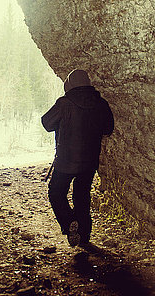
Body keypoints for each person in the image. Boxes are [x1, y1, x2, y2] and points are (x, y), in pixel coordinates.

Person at [41, 69, 114, 247]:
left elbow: (47, 123)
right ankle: (84, 235)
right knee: (82, 196)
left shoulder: (64, 103)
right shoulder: (101, 103)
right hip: (89, 161)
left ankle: (69, 222)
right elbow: (108, 128)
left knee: (56, 192)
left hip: (66, 160)